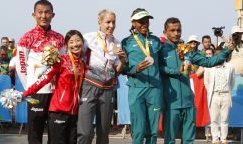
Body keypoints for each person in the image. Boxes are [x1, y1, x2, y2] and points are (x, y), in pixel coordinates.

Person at [159, 17, 234, 144]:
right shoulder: (160, 50)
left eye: (179, 30)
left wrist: (226, 50)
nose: (176, 33)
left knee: (189, 140)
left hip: (188, 102)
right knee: (170, 140)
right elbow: (158, 68)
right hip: (171, 103)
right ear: (165, 32)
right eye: (172, 30)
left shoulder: (187, 49)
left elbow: (208, 61)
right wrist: (176, 71)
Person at [15, 0, 64, 144]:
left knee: (55, 132)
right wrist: (30, 88)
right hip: (36, 92)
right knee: (35, 132)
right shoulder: (27, 37)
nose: (44, 15)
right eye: (40, 12)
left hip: (55, 92)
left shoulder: (59, 38)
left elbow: (63, 64)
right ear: (33, 15)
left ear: (53, 15)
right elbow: (21, 65)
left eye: (47, 12)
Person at [23, 30, 84, 144]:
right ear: (66, 45)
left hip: (74, 113)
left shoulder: (82, 63)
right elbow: (43, 79)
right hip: (58, 111)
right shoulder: (61, 61)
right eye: (71, 42)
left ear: (82, 42)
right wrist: (25, 93)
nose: (75, 44)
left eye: (78, 40)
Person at [77, 9, 125, 144]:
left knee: (103, 134)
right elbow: (77, 55)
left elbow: (117, 70)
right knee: (85, 133)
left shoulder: (117, 42)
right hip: (89, 86)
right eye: (107, 22)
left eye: (113, 22)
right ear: (99, 22)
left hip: (108, 89)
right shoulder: (88, 37)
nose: (111, 25)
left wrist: (123, 60)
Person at [121, 8, 162, 144]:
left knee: (153, 131)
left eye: (146, 20)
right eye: (140, 21)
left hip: (154, 89)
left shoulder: (156, 41)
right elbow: (122, 68)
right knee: (138, 130)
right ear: (133, 23)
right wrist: (135, 69)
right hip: (136, 88)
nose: (144, 23)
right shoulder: (126, 42)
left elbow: (162, 63)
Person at [204, 49, 235, 144]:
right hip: (214, 95)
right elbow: (206, 82)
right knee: (213, 119)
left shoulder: (230, 67)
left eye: (221, 55)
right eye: (216, 55)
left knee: (224, 118)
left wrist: (226, 91)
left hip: (226, 95)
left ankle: (223, 138)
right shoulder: (209, 67)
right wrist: (212, 92)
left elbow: (232, 82)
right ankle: (215, 138)